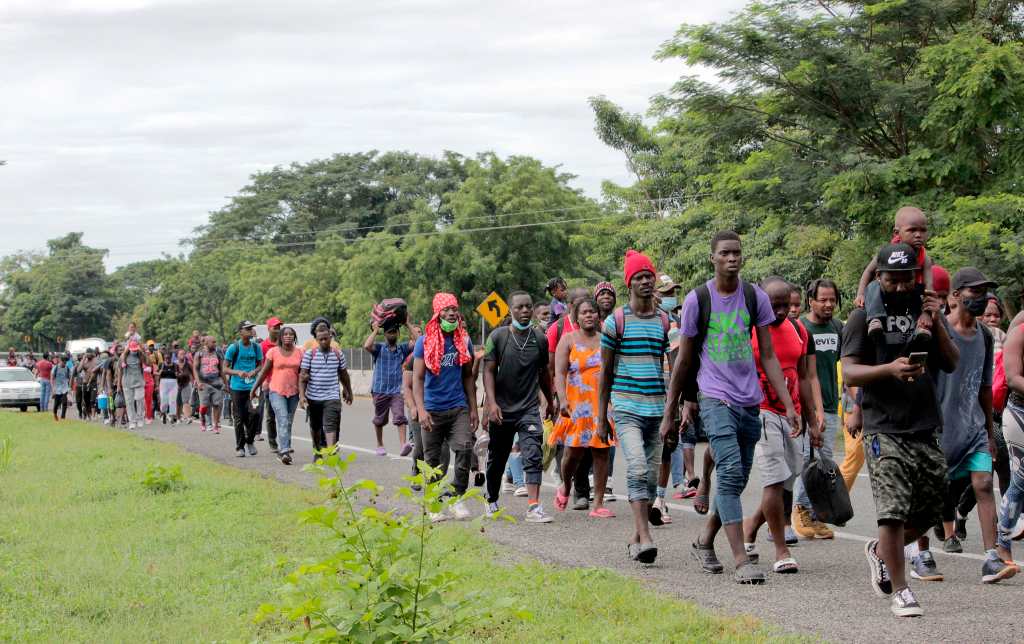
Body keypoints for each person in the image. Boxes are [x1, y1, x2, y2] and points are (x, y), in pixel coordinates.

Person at [661, 231, 792, 584]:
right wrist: (671, 410)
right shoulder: (697, 299)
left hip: (750, 400)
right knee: (731, 473)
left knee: (738, 478)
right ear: (713, 258)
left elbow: (768, 356)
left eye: (736, 252)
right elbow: (684, 360)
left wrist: (789, 404)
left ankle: (705, 540)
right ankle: (740, 560)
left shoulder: (754, 296)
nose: (732, 258)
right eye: (724, 253)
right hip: (714, 396)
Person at [842, 242, 959, 618]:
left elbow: (952, 362)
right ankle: (901, 590)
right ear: (878, 277)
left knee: (933, 506)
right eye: (891, 279)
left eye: (905, 279)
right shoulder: (863, 316)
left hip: (923, 423)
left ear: (915, 277)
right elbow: (851, 372)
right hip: (883, 426)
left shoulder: (925, 310)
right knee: (891, 510)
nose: (898, 286)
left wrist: (936, 320)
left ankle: (880, 551)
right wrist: (889, 369)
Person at [919, 268, 1016, 584]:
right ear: (956, 295)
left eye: (985, 292)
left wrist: (989, 433)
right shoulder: (937, 329)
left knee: (984, 485)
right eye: (975, 291)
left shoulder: (986, 336)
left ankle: (991, 558)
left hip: (973, 427)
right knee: (929, 494)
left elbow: (985, 387)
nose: (983, 298)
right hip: (938, 430)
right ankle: (921, 554)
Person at [742, 277, 823, 575]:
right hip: (761, 411)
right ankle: (781, 550)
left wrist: (812, 421)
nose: (780, 311)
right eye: (773, 305)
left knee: (787, 480)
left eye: (785, 305)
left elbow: (803, 377)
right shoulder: (749, 329)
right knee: (774, 481)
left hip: (792, 415)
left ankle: (750, 526)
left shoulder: (799, 330)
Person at [598, 250, 672, 564]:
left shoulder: (665, 321)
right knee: (638, 468)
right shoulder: (616, 321)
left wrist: (674, 410)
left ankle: (636, 538)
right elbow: (605, 372)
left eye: (648, 277)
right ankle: (646, 537)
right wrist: (601, 417)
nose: (645, 282)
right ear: (629, 283)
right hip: (626, 407)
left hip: (657, 409)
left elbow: (672, 367)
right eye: (639, 277)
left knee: (651, 479)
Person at [483, 291, 555, 523]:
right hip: (502, 409)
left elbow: (544, 373)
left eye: (528, 307)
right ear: (511, 310)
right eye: (519, 307)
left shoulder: (540, 339)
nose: (524, 311)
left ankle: (534, 507)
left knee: (533, 454)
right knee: (498, 458)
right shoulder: (498, 336)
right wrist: (491, 403)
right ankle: (491, 498)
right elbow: (488, 371)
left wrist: (550, 401)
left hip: (529, 409)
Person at [412, 293, 478, 522]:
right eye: (446, 310)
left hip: (458, 406)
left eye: (454, 309)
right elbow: (417, 378)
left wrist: (473, 409)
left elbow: (468, 376)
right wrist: (421, 410)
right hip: (432, 409)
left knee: (465, 448)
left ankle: (456, 497)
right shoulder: (424, 342)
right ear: (437, 313)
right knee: (433, 460)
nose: (451, 313)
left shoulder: (464, 341)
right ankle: (433, 504)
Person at [551, 296, 616, 519]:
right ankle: (566, 485)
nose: (589, 315)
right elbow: (559, 373)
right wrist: (562, 400)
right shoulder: (568, 339)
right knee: (573, 453)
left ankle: (597, 503)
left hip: (601, 404)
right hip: (576, 404)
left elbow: (612, 372)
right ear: (576, 317)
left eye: (592, 311)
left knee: (601, 451)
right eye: (584, 312)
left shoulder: (605, 340)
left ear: (598, 316)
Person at [794, 278, 846, 539]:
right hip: (806, 407)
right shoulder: (801, 327)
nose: (828, 305)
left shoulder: (838, 327)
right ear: (810, 301)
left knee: (823, 460)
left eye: (832, 300)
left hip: (830, 404)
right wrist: (811, 409)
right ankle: (799, 510)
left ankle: (814, 514)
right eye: (823, 300)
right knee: (808, 460)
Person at [856, 206, 934, 342]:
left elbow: (929, 285)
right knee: (874, 286)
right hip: (887, 293)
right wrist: (861, 294)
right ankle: (875, 319)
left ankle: (920, 326)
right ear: (897, 233)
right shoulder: (889, 252)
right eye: (912, 230)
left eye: (923, 230)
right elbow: (869, 271)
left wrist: (927, 313)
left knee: (920, 291)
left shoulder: (924, 256)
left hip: (911, 292)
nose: (918, 235)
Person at [363, 317, 419, 457]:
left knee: (400, 416)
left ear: (398, 334)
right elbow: (367, 346)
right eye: (389, 332)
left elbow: (419, 342)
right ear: (385, 334)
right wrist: (375, 330)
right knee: (380, 419)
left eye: (394, 332)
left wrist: (407, 323)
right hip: (379, 389)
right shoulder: (379, 348)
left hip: (396, 390)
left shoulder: (402, 349)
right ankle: (380, 444)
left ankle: (403, 444)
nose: (392, 334)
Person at [299, 319, 354, 460]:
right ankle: (317, 451)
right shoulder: (309, 354)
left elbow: (344, 374)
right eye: (321, 339)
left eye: (326, 338)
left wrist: (348, 390)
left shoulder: (338, 354)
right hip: (313, 397)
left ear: (330, 337)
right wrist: (302, 396)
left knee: (331, 423)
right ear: (316, 340)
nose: (324, 341)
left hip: (332, 395)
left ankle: (331, 452)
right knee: (316, 426)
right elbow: (303, 377)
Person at [996, 314, 1024, 564]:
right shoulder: (1019, 332)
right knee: (1021, 480)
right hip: (1019, 413)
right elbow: (1013, 378)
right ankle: (1002, 545)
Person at [253, 327, 303, 465]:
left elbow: (302, 374)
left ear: (294, 337)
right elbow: (264, 372)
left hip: (294, 392)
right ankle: (285, 451)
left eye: (291, 334)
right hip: (276, 391)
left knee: (288, 421)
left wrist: (303, 394)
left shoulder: (300, 352)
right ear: (281, 337)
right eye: (285, 334)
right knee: (283, 419)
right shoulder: (273, 352)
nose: (288, 336)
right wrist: (254, 388)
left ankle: (284, 447)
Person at [224, 322, 264, 457]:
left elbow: (260, 365)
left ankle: (250, 441)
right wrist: (237, 372)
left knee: (256, 414)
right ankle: (240, 447)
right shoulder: (233, 347)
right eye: (247, 329)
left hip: (253, 388)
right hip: (237, 388)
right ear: (240, 332)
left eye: (251, 328)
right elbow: (224, 368)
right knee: (239, 418)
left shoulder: (256, 347)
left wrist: (254, 371)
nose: (251, 331)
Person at [258, 317, 282, 450]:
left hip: (283, 383)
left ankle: (285, 443)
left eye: (279, 327)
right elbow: (261, 366)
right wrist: (265, 381)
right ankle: (273, 442)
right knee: (271, 415)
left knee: (284, 415)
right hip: (269, 384)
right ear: (269, 329)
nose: (278, 329)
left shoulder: (283, 343)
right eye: (275, 327)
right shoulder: (263, 346)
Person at [193, 337, 224, 433]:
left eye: (215, 342)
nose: (215, 344)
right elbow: (195, 369)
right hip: (204, 383)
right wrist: (198, 382)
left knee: (216, 404)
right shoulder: (199, 354)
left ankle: (215, 426)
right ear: (206, 343)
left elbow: (222, 370)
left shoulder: (218, 354)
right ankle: (203, 420)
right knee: (204, 406)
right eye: (213, 342)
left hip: (216, 383)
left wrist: (226, 384)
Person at [119, 340, 147, 430]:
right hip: (127, 383)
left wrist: (141, 351)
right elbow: (120, 371)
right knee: (129, 402)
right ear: (129, 349)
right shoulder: (123, 357)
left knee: (140, 399)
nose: (134, 351)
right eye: (133, 350)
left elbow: (147, 362)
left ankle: (140, 419)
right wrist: (119, 385)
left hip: (139, 381)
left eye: (135, 350)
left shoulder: (140, 355)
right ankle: (132, 421)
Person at [158, 346, 179, 424]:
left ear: (171, 357)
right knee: (164, 400)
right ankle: (163, 413)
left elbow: (178, 374)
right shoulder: (161, 365)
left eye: (169, 358)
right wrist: (157, 384)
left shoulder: (175, 365)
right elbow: (157, 375)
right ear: (164, 358)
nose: (167, 359)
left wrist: (177, 375)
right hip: (163, 383)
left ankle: (172, 416)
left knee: (172, 400)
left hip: (173, 383)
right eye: (166, 358)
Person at [176, 348, 195, 427]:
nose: (182, 355)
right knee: (178, 402)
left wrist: (195, 381)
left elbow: (194, 373)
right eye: (181, 354)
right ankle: (178, 417)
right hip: (177, 384)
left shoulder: (188, 364)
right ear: (177, 355)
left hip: (186, 384)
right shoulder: (175, 364)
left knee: (185, 401)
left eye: (184, 354)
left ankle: (188, 417)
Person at [50, 354, 72, 421]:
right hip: (57, 388)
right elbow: (52, 378)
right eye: (63, 362)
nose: (64, 363)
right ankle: (55, 414)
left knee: (64, 402)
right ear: (60, 361)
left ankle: (63, 417)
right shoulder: (55, 368)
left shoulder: (67, 368)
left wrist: (69, 387)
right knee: (57, 403)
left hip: (64, 388)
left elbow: (70, 378)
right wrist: (53, 388)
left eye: (65, 362)